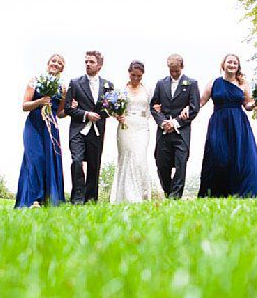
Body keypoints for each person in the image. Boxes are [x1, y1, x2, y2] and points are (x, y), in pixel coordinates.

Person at [198, 53, 257, 198]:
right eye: (229, 62)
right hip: (219, 124)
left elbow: (247, 105)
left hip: (239, 124)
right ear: (223, 64)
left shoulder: (243, 84)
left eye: (235, 63)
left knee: (241, 157)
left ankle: (243, 192)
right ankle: (217, 193)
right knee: (219, 156)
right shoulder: (213, 83)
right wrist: (186, 111)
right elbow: (200, 102)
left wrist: (255, 102)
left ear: (238, 66)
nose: (232, 65)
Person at [15, 53, 68, 208]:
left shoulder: (63, 88)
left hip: (51, 126)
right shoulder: (35, 81)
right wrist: (40, 101)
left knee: (49, 160)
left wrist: (70, 109)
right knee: (35, 158)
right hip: (34, 125)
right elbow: (25, 106)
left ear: (62, 68)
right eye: (53, 61)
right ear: (48, 63)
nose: (56, 64)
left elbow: (60, 112)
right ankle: (34, 199)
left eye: (59, 63)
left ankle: (48, 199)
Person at [64, 50, 113, 204]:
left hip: (97, 131)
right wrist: (85, 114)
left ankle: (91, 199)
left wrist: (101, 114)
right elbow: (67, 108)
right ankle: (77, 199)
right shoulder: (75, 83)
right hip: (78, 130)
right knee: (77, 161)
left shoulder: (108, 85)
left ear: (99, 65)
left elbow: (111, 109)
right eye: (86, 61)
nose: (88, 64)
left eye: (91, 62)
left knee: (94, 165)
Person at [150, 54, 200, 198]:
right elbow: (154, 106)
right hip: (163, 131)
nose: (174, 73)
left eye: (176, 70)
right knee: (161, 164)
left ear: (182, 67)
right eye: (171, 70)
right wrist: (162, 122)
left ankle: (175, 197)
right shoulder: (161, 84)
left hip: (181, 132)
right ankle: (168, 192)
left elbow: (194, 108)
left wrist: (176, 122)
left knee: (180, 164)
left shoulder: (191, 84)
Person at [110, 60, 157, 203]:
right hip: (126, 125)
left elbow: (152, 108)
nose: (136, 78)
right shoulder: (121, 89)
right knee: (126, 157)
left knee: (139, 158)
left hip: (142, 126)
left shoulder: (148, 90)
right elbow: (111, 108)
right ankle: (125, 196)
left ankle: (142, 195)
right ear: (129, 73)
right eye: (133, 75)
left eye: (139, 76)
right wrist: (117, 115)